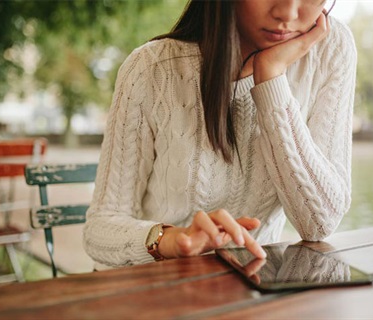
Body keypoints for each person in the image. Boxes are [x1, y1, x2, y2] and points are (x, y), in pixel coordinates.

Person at [83, 0, 356, 270]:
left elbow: (319, 224)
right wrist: (173, 241)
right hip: (149, 289)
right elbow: (100, 229)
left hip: (250, 288)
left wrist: (271, 80)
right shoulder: (152, 68)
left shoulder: (330, 49)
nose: (287, 13)